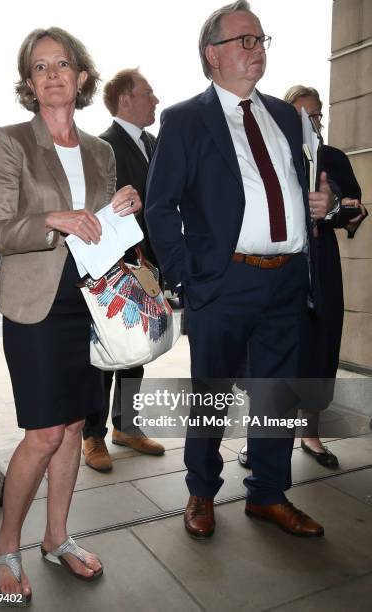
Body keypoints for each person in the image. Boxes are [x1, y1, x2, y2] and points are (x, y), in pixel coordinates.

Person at [145, 1, 335, 540]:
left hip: (287, 280)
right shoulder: (185, 120)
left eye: (260, 40)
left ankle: (269, 496)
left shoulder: (287, 115)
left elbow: (308, 182)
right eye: (245, 41)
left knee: (276, 395)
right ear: (213, 54)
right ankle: (201, 493)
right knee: (212, 394)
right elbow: (161, 207)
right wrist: (188, 277)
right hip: (223, 282)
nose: (257, 50)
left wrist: (324, 201)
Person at [0, 28, 142, 602]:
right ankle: (6, 544)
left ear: (80, 76)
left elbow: (100, 229)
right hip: (36, 306)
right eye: (40, 66)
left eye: (63, 64)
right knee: (44, 431)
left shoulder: (101, 150)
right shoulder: (9, 142)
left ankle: (55, 536)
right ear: (30, 82)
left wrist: (120, 209)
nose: (53, 74)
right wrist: (55, 218)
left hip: (91, 303)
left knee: (75, 425)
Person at [238, 87, 367, 471]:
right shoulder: (272, 153)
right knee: (272, 362)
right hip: (278, 271)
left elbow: (354, 209)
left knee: (319, 352)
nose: (309, 123)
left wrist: (334, 209)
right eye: (300, 116)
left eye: (315, 116)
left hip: (321, 271)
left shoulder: (333, 158)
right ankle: (259, 444)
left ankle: (311, 434)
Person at [82, 69, 165, 473]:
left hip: (149, 262)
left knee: (137, 349)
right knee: (107, 351)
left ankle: (126, 427)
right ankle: (92, 434)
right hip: (116, 266)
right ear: (125, 99)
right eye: (148, 93)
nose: (156, 99)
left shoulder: (155, 143)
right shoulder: (103, 146)